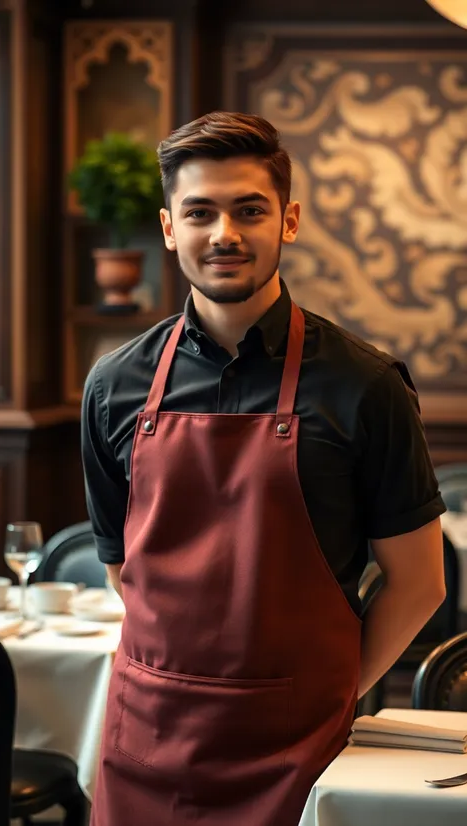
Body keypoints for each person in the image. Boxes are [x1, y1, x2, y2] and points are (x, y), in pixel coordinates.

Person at [82, 112, 446, 826]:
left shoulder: (364, 386)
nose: (224, 233)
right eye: (200, 212)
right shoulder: (114, 385)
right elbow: (121, 566)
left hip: (299, 747)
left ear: (289, 220)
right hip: (146, 738)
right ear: (168, 228)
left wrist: (333, 690)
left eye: (249, 209)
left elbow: (420, 581)